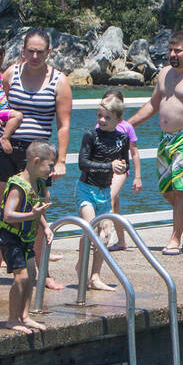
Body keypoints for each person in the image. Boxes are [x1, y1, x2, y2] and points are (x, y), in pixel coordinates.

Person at [0, 30, 71, 291]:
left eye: (40, 51)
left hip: (37, 155)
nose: (34, 55)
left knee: (38, 212)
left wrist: (60, 160)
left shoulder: (59, 81)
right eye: (30, 50)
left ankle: (43, 272)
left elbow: (64, 125)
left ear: (48, 53)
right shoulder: (11, 73)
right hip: (3, 147)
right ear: (22, 50)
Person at [126, 31, 183, 255]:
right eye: (170, 50)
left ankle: (175, 238)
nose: (172, 54)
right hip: (166, 139)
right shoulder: (165, 74)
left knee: (180, 189)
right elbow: (153, 104)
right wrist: (127, 125)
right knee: (166, 188)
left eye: (178, 50)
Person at [0, 141, 55, 333]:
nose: (51, 170)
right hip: (10, 236)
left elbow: (36, 209)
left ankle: (25, 315)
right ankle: (12, 319)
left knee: (32, 274)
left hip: (26, 237)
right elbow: (8, 214)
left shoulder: (38, 183)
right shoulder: (18, 185)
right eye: (50, 165)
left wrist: (45, 227)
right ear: (36, 161)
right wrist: (33, 216)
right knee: (21, 277)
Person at [76, 93, 131, 291]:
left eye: (107, 117)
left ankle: (95, 276)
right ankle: (81, 265)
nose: (102, 120)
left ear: (118, 119)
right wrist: (109, 166)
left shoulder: (122, 139)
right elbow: (83, 163)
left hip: (104, 192)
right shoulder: (90, 135)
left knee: (105, 234)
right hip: (86, 189)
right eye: (99, 115)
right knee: (92, 229)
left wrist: (121, 168)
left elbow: (125, 164)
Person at [103, 88, 142, 251]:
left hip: (120, 168)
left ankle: (104, 235)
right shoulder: (100, 124)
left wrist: (137, 177)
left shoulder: (126, 127)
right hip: (104, 168)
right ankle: (121, 241)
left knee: (109, 197)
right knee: (115, 204)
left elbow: (134, 152)